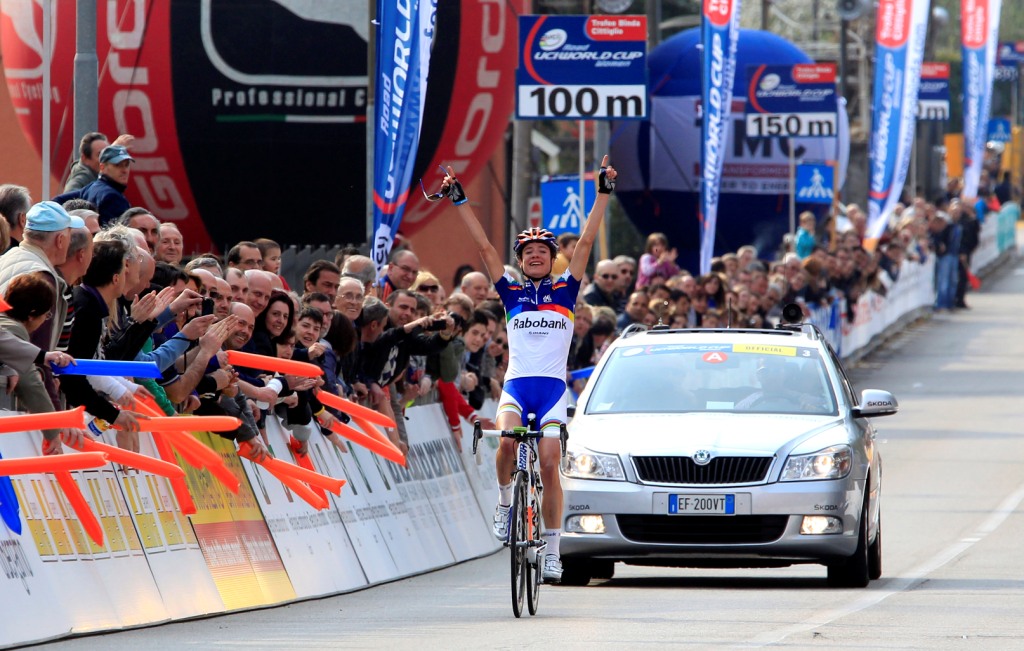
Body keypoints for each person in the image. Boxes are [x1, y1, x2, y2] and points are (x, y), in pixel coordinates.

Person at [445, 155, 617, 583]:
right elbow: (485, 248)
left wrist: (601, 195)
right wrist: (461, 200)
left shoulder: (566, 288)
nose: (535, 255)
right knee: (506, 444)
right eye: (529, 252)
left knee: (550, 459)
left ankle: (554, 550)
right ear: (521, 260)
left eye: (542, 251)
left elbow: (587, 242)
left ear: (551, 258)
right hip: (517, 388)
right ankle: (505, 504)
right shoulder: (509, 292)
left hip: (554, 391)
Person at [52, 145, 135, 226]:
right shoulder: (112, 197)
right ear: (102, 167)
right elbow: (117, 236)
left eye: (126, 165)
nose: (124, 170)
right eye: (117, 165)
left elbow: (56, 201)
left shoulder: (91, 187)